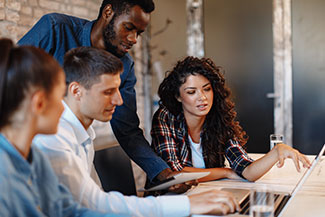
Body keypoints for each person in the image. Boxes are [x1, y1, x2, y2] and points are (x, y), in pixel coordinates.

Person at [33, 46, 239, 216]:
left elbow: (96, 202)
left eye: (118, 90)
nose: (119, 101)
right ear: (76, 91)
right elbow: (94, 203)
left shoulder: (82, 134)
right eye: (108, 92)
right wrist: (188, 205)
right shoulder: (54, 138)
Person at [18, 0, 172, 182]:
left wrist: (162, 173)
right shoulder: (55, 29)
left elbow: (127, 128)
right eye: (128, 28)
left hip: (77, 150)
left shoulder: (125, 65)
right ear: (108, 12)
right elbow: (9, 79)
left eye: (139, 33)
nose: (133, 39)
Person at [0, 38, 125, 217]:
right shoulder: (4, 176)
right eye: (59, 96)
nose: (63, 106)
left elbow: (68, 210)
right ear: (39, 102)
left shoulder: (35, 159)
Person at [151, 56, 311, 182]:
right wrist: (225, 172)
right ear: (178, 96)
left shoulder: (218, 118)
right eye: (191, 92)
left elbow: (246, 170)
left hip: (209, 196)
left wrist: (277, 152)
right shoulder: (166, 117)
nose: (202, 98)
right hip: (171, 203)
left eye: (206, 89)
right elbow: (176, 173)